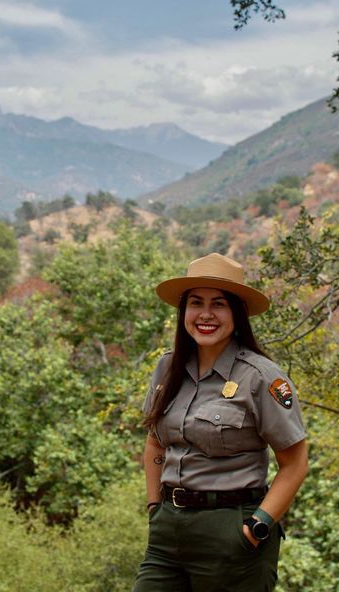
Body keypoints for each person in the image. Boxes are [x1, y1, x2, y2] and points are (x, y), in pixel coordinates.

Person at [133, 252, 308, 592]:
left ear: (237, 314)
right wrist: (155, 506)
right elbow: (156, 440)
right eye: (196, 303)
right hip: (168, 530)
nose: (206, 314)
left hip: (232, 530)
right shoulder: (167, 369)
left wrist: (257, 527)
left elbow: (295, 462)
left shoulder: (261, 378)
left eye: (219, 304)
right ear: (184, 311)